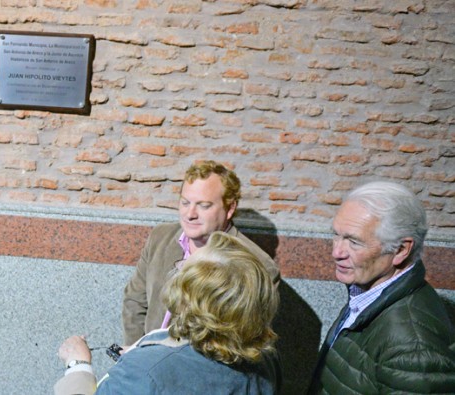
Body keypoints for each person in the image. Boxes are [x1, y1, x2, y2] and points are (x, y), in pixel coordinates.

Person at [56, 232, 280, 394]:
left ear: (188, 299)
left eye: (184, 267)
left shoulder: (144, 372)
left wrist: (78, 365)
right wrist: (151, 348)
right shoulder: (267, 360)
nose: (179, 265)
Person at [308, 181, 455, 393]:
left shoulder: (413, 345)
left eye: (354, 242)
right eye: (336, 235)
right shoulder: (367, 291)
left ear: (401, 250)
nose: (336, 252)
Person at [121, 160, 280, 346]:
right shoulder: (160, 237)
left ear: (230, 208)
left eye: (203, 205)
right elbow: (134, 302)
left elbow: (243, 341)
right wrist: (136, 352)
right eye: (185, 202)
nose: (190, 214)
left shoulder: (258, 265)